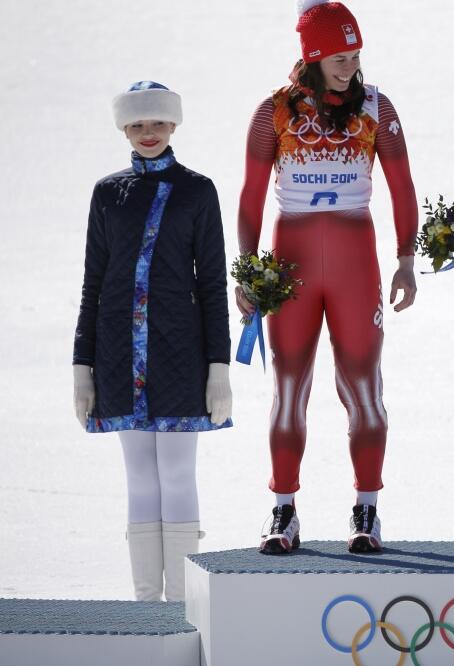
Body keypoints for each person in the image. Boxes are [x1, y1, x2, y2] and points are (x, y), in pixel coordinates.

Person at [236, 0, 417, 555]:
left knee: (363, 388)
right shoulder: (274, 111)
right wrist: (246, 272)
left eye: (356, 54)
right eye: (339, 56)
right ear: (312, 55)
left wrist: (406, 257)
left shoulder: (378, 108)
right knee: (289, 388)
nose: (350, 65)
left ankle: (367, 507)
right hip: (289, 262)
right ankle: (283, 510)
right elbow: (249, 195)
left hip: (354, 262)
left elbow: (403, 185)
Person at [72, 81, 233, 601]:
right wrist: (83, 366)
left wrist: (218, 367)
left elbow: (210, 282)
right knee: (140, 478)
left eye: (158, 123)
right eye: (138, 124)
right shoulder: (106, 193)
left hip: (180, 354)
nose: (148, 133)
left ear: (174, 126)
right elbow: (92, 282)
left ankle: (185, 606)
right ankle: (147, 606)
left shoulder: (198, 190)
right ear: (124, 128)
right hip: (118, 355)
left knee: (179, 474)